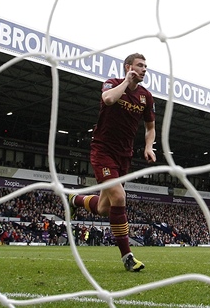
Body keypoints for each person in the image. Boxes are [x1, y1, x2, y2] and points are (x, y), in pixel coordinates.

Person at [68, 53, 156, 272]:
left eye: (146, 66)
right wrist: (127, 81)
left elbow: (150, 128)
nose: (144, 69)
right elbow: (108, 99)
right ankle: (127, 256)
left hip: (124, 156)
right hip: (103, 150)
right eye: (140, 65)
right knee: (119, 196)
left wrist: (148, 146)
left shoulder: (146, 97)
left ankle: (74, 199)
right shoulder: (113, 83)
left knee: (104, 207)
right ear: (128, 67)